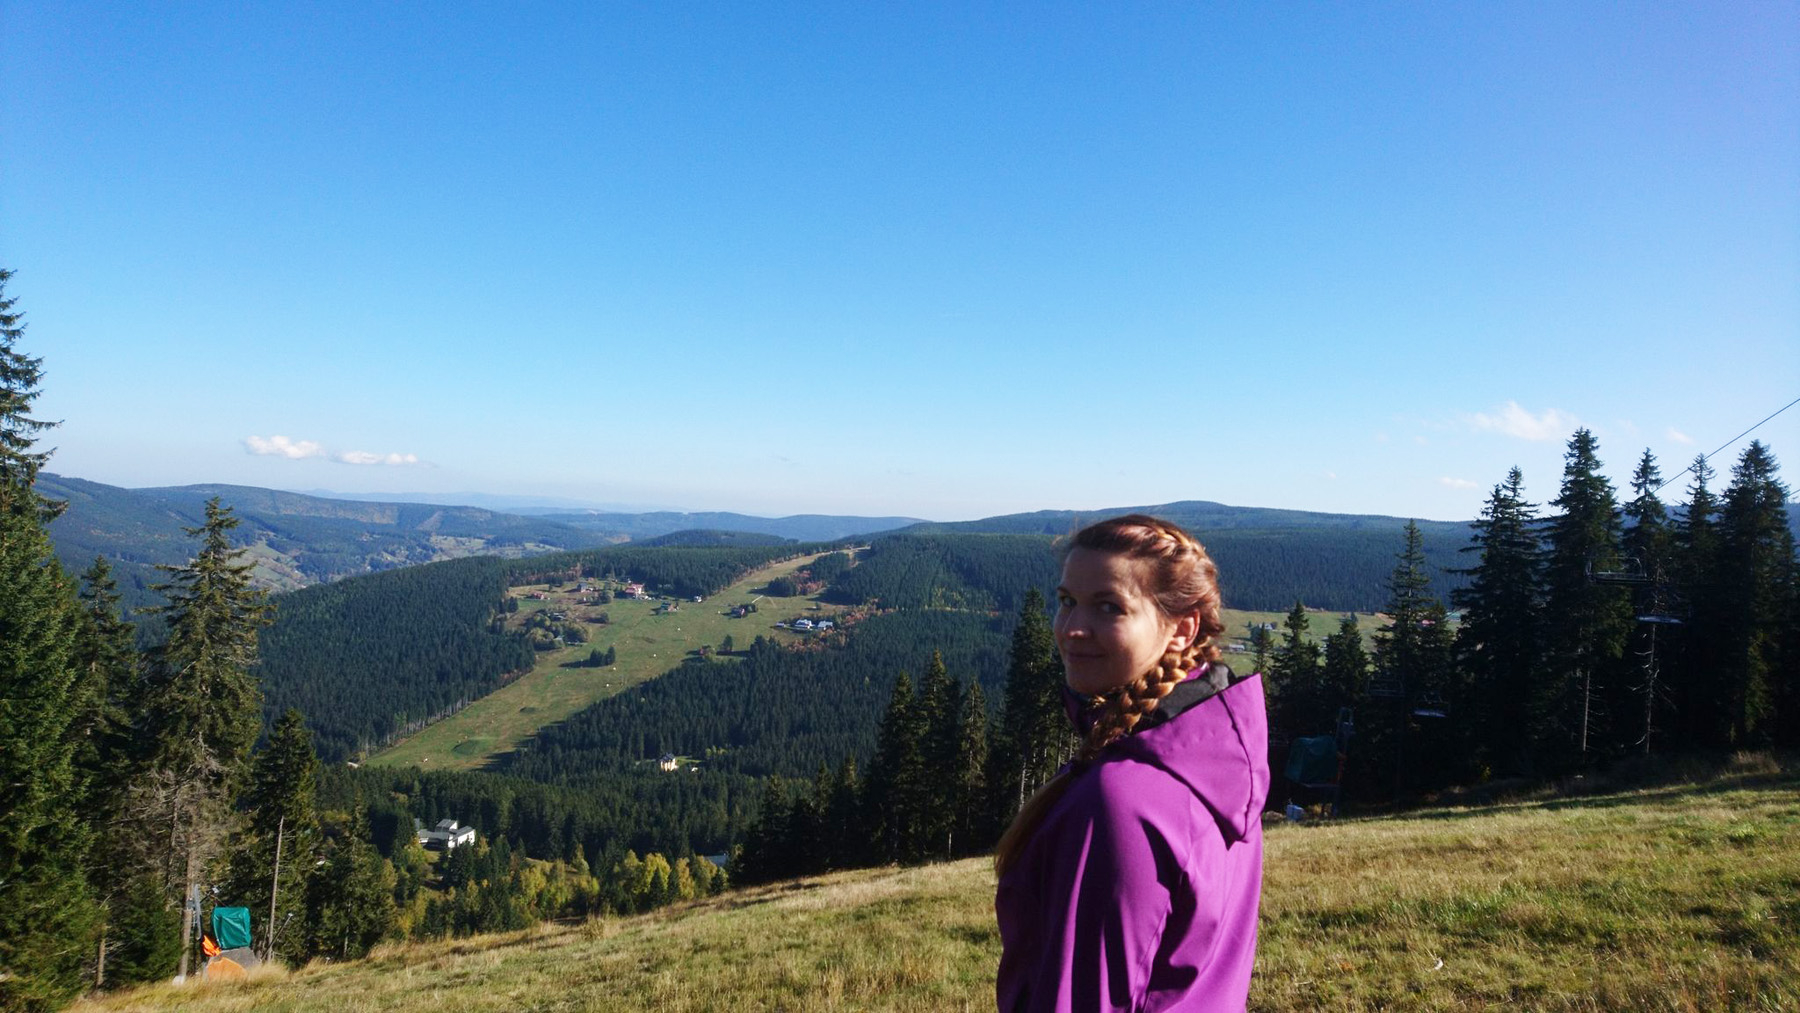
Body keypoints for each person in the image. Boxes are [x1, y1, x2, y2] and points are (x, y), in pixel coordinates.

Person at [994, 514, 1270, 1012]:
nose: (1072, 629)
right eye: (1067, 601)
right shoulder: (1216, 758)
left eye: (1109, 607)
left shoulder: (1121, 801)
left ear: (1182, 630)